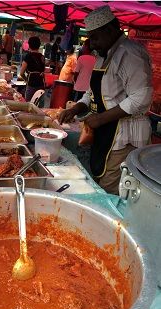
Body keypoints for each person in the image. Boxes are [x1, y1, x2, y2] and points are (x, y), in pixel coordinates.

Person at [59, 5, 153, 194]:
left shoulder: (129, 53)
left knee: (109, 189)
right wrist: (76, 108)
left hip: (125, 137)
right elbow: (93, 92)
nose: (91, 44)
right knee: (100, 178)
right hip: (105, 132)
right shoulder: (105, 55)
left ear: (110, 29)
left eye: (94, 37)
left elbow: (141, 97)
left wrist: (101, 118)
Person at [19, 36, 46, 102]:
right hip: (41, 84)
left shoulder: (28, 56)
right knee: (38, 104)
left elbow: (21, 73)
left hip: (31, 84)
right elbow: (43, 70)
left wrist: (26, 80)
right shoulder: (42, 57)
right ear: (39, 45)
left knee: (29, 104)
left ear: (29, 45)